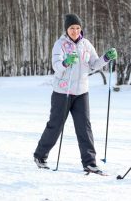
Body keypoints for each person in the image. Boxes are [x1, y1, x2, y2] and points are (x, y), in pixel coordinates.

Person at [33, 13, 117, 173]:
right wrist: (65, 62)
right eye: (72, 28)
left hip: (81, 92)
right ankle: (40, 155)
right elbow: (56, 67)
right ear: (67, 29)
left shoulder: (86, 44)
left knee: (84, 127)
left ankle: (90, 162)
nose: (75, 31)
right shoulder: (60, 45)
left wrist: (106, 58)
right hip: (62, 92)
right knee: (55, 126)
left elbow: (93, 65)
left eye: (78, 28)